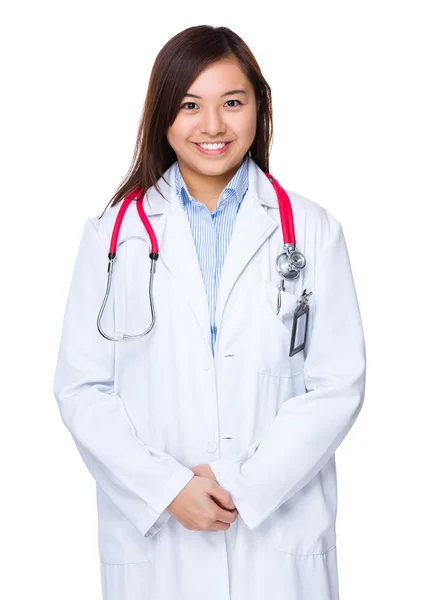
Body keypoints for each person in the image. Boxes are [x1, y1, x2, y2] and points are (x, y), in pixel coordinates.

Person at [53, 24, 366, 600]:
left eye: (232, 102)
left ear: (259, 108)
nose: (213, 125)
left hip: (277, 542)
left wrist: (241, 485)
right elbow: (82, 389)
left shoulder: (312, 231)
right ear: (162, 115)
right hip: (157, 546)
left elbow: (336, 384)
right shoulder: (111, 236)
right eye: (190, 105)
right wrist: (166, 488)